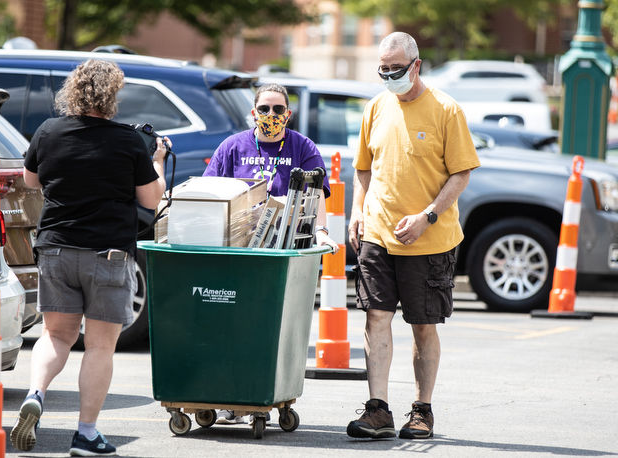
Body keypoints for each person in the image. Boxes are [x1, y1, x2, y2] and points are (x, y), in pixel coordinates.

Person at [10, 59, 169, 456]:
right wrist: (158, 162)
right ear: (112, 96)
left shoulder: (48, 131)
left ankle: (36, 393)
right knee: (99, 346)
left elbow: (30, 181)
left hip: (56, 248)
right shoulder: (128, 141)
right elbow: (151, 200)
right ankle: (86, 434)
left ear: (73, 91)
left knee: (55, 335)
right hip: (107, 253)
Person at [346, 32, 480, 440]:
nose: (388, 77)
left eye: (396, 70)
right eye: (383, 70)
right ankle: (378, 410)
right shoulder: (375, 108)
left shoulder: (445, 110)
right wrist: (357, 211)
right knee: (376, 316)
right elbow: (363, 168)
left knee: (422, 324)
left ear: (416, 65)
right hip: (378, 235)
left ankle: (422, 411)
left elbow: (461, 173)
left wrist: (428, 216)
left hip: (428, 240)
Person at [203, 83, 339, 424]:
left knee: (269, 326)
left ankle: (259, 393)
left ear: (288, 114)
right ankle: (231, 398)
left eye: (278, 110)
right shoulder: (232, 147)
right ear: (253, 112)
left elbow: (317, 191)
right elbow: (210, 191)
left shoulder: (301, 146)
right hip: (238, 253)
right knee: (233, 324)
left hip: (281, 255)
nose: (271, 116)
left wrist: (321, 230)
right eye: (264, 109)